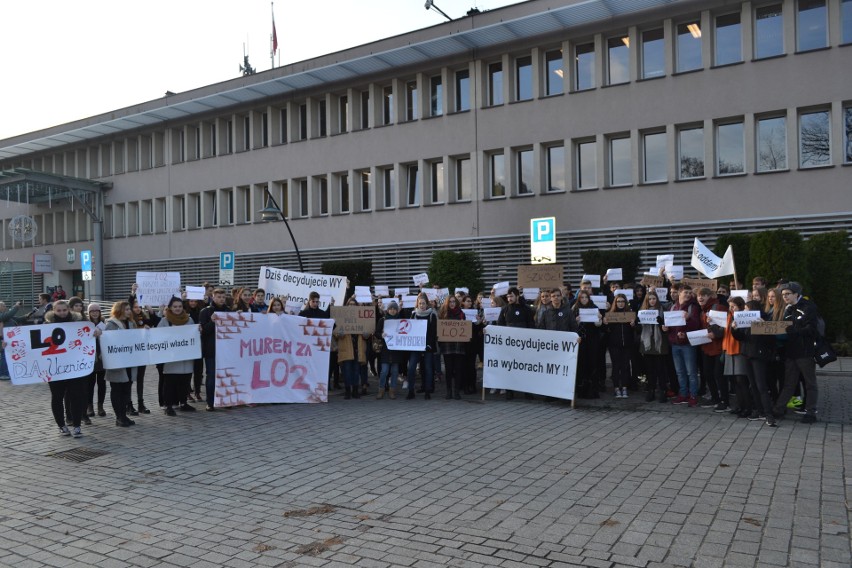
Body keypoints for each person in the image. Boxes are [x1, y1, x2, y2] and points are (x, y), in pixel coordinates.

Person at [772, 282, 820, 423]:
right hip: (791, 352)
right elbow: (782, 328)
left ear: (796, 294)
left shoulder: (808, 307)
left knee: (810, 383)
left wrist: (794, 330)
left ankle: (811, 412)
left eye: (787, 294)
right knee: (789, 382)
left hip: (805, 352)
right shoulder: (788, 309)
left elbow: (812, 329)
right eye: (783, 295)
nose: (784, 297)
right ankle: (779, 409)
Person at [43, 301, 87, 437]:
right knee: (57, 397)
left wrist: (95, 333)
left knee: (76, 397)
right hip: (55, 369)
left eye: (64, 310)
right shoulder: (46, 326)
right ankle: (61, 425)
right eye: (59, 310)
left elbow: (88, 336)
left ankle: (77, 425)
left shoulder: (78, 324)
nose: (62, 313)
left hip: (74, 368)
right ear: (54, 311)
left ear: (68, 310)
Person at [733, 300, 778, 427]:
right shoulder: (746, 322)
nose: (745, 311)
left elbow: (771, 340)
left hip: (758, 356)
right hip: (747, 354)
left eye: (747, 309)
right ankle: (759, 411)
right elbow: (741, 337)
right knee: (753, 384)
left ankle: (769, 414)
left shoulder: (763, 319)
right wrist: (734, 329)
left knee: (761, 385)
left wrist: (764, 327)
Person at [157, 297, 198, 416]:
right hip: (171, 358)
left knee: (184, 381)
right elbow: (159, 336)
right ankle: (168, 405)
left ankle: (183, 403)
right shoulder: (165, 321)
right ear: (170, 307)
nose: (177, 309)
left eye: (180, 306)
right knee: (170, 382)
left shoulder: (189, 319)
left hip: (186, 357)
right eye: (175, 306)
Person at [663, 286, 701, 407]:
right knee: (680, 372)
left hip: (687, 345)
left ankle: (693, 395)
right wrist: (665, 328)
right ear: (679, 293)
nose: (688, 294)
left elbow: (697, 325)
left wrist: (688, 319)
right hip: (675, 344)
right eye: (686, 292)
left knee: (691, 372)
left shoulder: (693, 307)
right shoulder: (673, 307)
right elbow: (669, 325)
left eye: (690, 292)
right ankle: (683, 394)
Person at [496, 287, 535, 400]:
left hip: (524, 344)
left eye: (511, 296)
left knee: (525, 367)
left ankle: (527, 391)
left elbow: (531, 324)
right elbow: (500, 325)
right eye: (508, 296)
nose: (509, 298)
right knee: (510, 367)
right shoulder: (505, 310)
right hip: (509, 344)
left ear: (517, 296)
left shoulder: (526, 309)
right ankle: (509, 391)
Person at [103, 301, 138, 427]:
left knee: (126, 390)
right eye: (126, 309)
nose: (129, 311)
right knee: (117, 389)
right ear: (119, 310)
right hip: (117, 362)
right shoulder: (112, 324)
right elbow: (107, 342)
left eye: (129, 309)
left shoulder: (131, 323)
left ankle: (124, 415)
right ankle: (119, 417)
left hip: (129, 361)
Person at [199, 288, 231, 411]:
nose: (221, 299)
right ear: (213, 297)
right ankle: (210, 402)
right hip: (211, 349)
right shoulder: (205, 312)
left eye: (223, 297)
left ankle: (226, 400)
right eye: (218, 297)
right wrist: (212, 321)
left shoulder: (229, 311)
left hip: (227, 350)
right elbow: (203, 331)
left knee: (226, 375)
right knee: (211, 376)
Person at [696, 287, 727, 412]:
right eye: (699, 296)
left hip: (718, 348)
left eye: (704, 295)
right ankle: (715, 398)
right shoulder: (703, 311)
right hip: (706, 347)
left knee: (718, 375)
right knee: (708, 374)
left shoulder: (718, 308)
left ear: (711, 296)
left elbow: (724, 329)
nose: (700, 298)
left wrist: (714, 333)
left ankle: (725, 401)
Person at [723, 296, 752, 418]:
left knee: (742, 380)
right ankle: (740, 406)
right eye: (730, 306)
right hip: (729, 350)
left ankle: (747, 407)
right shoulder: (729, 317)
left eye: (733, 306)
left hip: (740, 350)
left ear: (740, 306)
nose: (731, 308)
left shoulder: (743, 317)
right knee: (734, 381)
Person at [638, 291, 669, 402]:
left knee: (661, 369)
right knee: (650, 370)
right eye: (650, 299)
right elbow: (638, 330)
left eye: (654, 298)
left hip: (659, 344)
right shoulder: (642, 312)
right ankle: (651, 390)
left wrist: (661, 323)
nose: (652, 301)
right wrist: (637, 322)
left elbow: (667, 327)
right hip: (647, 344)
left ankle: (662, 391)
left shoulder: (663, 310)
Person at [571, 290, 603, 399]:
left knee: (592, 363)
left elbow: (598, 325)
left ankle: (592, 389)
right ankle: (581, 390)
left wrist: (599, 318)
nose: (584, 299)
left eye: (586, 297)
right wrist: (576, 321)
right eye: (582, 297)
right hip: (580, 340)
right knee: (581, 364)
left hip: (592, 339)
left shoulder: (594, 307)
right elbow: (571, 326)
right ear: (579, 299)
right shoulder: (575, 309)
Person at [407, 294, 438, 400]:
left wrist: (429, 345)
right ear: (417, 304)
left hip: (428, 347)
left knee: (428, 369)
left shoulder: (432, 315)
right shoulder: (414, 314)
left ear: (427, 304)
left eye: (423, 303)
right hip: (415, 347)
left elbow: (433, 333)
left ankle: (428, 391)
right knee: (411, 368)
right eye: (420, 303)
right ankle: (411, 391)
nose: (421, 305)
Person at [604, 293, 635, 399]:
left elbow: (634, 331)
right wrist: (606, 324)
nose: (620, 303)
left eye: (622, 301)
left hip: (627, 344)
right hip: (614, 345)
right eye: (618, 301)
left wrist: (633, 325)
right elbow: (607, 331)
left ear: (625, 302)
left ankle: (625, 387)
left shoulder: (630, 314)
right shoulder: (611, 314)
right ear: (615, 303)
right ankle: (617, 388)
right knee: (616, 367)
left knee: (625, 367)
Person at [438, 295, 466, 400]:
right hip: (447, 346)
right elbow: (439, 329)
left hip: (459, 345)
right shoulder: (443, 314)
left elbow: (466, 329)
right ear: (447, 303)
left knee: (458, 369)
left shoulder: (462, 314)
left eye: (454, 301)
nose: (452, 303)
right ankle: (448, 391)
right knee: (448, 370)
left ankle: (456, 391)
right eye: (450, 302)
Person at [83, 303, 108, 418]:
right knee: (90, 384)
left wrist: (102, 334)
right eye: (92, 311)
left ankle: (100, 406)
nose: (94, 313)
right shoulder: (85, 324)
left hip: (102, 358)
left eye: (96, 310)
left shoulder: (104, 324)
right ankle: (89, 406)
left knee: (102, 383)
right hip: (90, 358)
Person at [376, 300, 404, 399]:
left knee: (395, 371)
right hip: (385, 350)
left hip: (396, 350)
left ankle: (392, 390)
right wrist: (381, 335)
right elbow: (377, 333)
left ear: (397, 310)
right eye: (390, 309)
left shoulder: (400, 321)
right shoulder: (383, 320)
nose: (392, 310)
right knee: (384, 371)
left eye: (394, 309)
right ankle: (381, 389)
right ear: (387, 310)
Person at [0, 300, 23, 380]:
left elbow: (19, 319)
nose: (5, 307)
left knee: (7, 356)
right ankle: (3, 374)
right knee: (4, 355)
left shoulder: (6, 316)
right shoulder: (2, 316)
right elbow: (9, 314)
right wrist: (16, 306)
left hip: (9, 339)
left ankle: (6, 372)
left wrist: (30, 315)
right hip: (2, 339)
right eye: (3, 305)